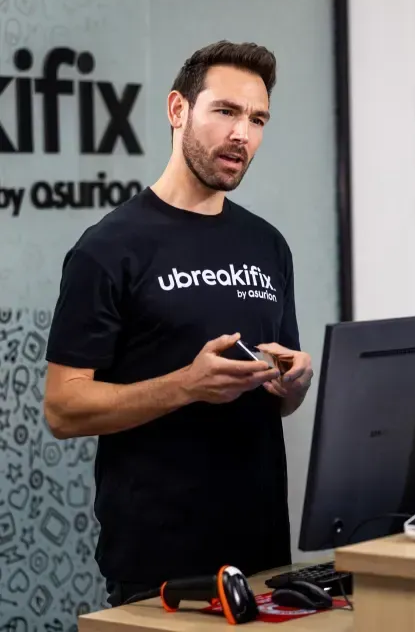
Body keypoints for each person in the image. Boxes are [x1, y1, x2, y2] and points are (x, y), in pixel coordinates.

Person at [43, 40, 313, 607]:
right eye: (225, 111)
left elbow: (278, 401)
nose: (242, 134)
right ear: (177, 110)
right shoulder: (108, 248)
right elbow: (63, 409)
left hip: (264, 554)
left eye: (257, 119)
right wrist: (187, 385)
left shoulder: (267, 245)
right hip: (160, 567)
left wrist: (292, 384)